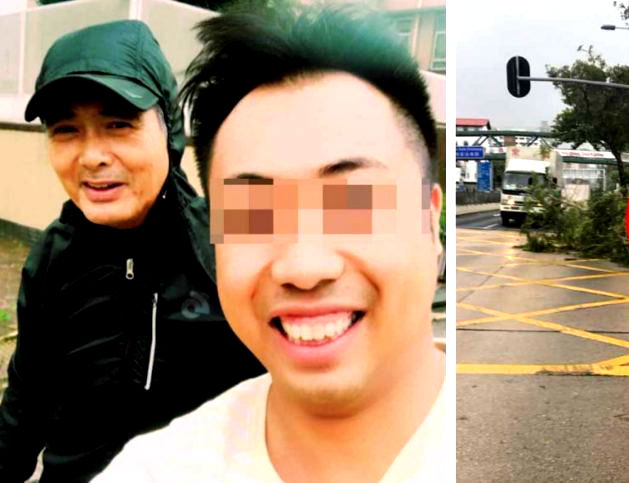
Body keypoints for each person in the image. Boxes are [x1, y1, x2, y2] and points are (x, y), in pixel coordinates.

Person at [95, 5, 447, 483]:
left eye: (353, 202)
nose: (304, 266)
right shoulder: (150, 471)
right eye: (254, 214)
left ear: (431, 217)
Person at [0, 20, 264, 482]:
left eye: (119, 124)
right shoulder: (52, 256)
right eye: (66, 130)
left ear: (170, 128)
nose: (91, 156)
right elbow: (26, 403)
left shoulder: (236, 234)